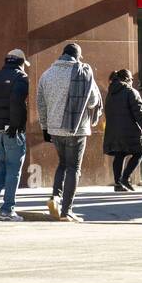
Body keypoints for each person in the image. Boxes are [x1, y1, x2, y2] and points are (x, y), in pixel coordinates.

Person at [37, 43, 102, 221]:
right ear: (77, 56)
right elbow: (92, 102)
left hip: (54, 129)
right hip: (77, 128)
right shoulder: (83, 72)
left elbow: (40, 104)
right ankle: (67, 211)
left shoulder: (46, 74)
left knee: (63, 164)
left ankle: (55, 198)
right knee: (74, 168)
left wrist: (44, 127)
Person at [0, 49, 30, 221]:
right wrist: (17, 125)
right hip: (12, 129)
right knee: (14, 168)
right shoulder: (21, 78)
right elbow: (18, 102)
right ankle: (8, 209)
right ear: (21, 63)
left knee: (3, 163)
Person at [103, 69, 142, 192]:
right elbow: (138, 110)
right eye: (132, 79)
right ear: (127, 79)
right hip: (130, 129)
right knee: (141, 150)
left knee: (119, 154)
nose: (133, 81)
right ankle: (125, 178)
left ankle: (118, 183)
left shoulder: (111, 93)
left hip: (113, 130)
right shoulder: (130, 91)